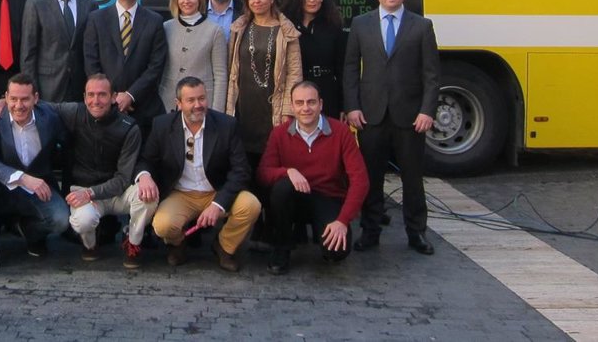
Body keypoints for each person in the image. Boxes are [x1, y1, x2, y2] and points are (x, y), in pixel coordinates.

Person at [343, 0, 441, 256]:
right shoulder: (360, 24)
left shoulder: (421, 26)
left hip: (410, 117)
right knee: (371, 178)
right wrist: (352, 106)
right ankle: (370, 231)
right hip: (371, 115)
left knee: (412, 178)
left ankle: (417, 232)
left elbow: (432, 74)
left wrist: (427, 111)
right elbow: (350, 68)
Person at [136, 77, 261, 272]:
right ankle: (178, 244)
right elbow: (146, 159)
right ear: (178, 104)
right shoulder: (162, 125)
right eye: (191, 100)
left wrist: (218, 204)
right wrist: (145, 176)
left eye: (202, 98)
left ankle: (224, 247)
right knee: (163, 225)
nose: (198, 105)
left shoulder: (226, 125)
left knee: (251, 205)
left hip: (216, 190)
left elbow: (241, 170)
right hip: (181, 193)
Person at [257, 80, 369, 275]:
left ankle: (322, 232)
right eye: (299, 103)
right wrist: (287, 171)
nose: (305, 108)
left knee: (337, 252)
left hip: (328, 197)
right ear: (292, 106)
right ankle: (282, 247)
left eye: (311, 102)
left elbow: (360, 180)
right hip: (294, 198)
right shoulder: (279, 134)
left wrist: (343, 220)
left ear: (321, 104)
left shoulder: (341, 132)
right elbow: (263, 173)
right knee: (281, 188)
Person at [0, 74, 68, 271]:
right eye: (13, 99)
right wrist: (22, 178)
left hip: (37, 188)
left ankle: (29, 231)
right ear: (6, 97)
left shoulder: (49, 117)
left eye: (24, 99)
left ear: (36, 98)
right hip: (1, 186)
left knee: (61, 220)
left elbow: (67, 140)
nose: (18, 105)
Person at [59, 74, 154, 269]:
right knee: (83, 221)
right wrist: (4, 101)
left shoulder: (129, 127)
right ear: (84, 97)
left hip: (118, 192)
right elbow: (41, 105)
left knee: (148, 196)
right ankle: (90, 245)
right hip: (85, 190)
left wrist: (90, 193)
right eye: (91, 95)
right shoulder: (74, 112)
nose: (96, 101)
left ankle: (133, 242)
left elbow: (123, 178)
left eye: (102, 95)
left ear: (113, 97)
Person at [225, 0, 302, 165]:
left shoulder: (287, 31)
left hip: (272, 108)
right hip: (243, 107)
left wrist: (288, 110)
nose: (257, 1)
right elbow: (230, 69)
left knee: (271, 162)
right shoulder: (239, 28)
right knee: (243, 161)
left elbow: (294, 74)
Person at [83, 0, 167, 131]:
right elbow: (91, 61)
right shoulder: (96, 19)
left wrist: (130, 95)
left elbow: (156, 66)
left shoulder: (155, 21)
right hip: (106, 106)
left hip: (143, 107)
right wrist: (110, 96)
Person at [20, 0, 96, 102]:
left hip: (81, 90)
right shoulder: (35, 4)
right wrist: (31, 91)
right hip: (47, 90)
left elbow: (93, 50)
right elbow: (28, 54)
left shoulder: (90, 5)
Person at [280, 0, 347, 119]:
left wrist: (344, 105)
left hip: (327, 94)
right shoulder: (285, 26)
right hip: (295, 94)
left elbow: (342, 68)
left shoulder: (333, 26)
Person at [161, 0, 229, 113]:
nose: (186, 1)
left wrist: (217, 113)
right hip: (168, 104)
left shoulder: (215, 31)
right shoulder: (166, 27)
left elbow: (220, 76)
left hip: (201, 105)